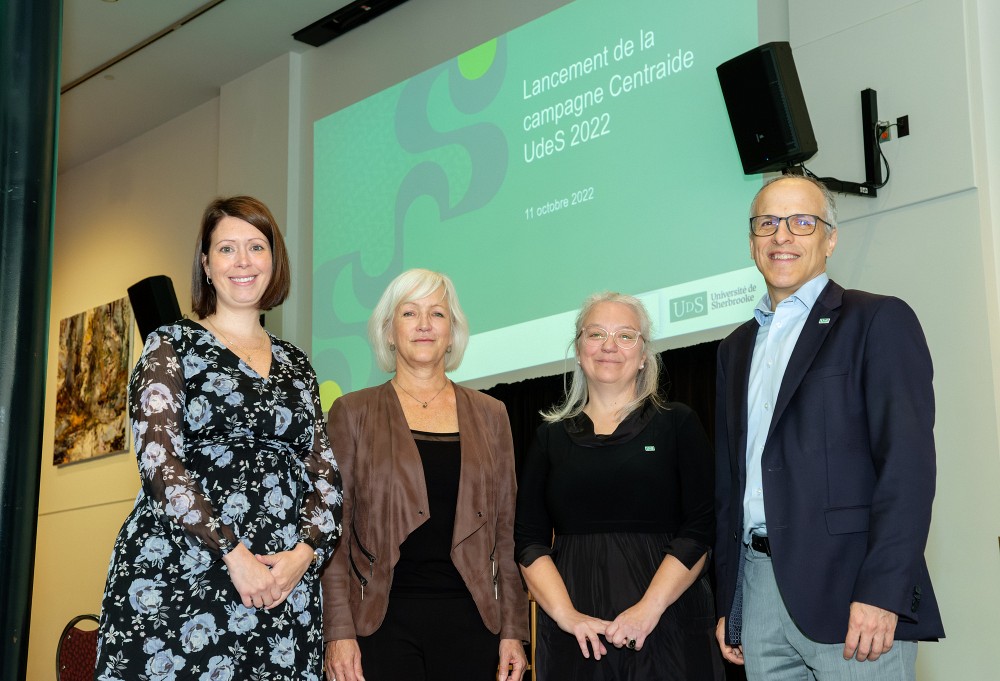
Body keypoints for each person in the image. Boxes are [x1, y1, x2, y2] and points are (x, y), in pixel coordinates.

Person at [95, 196, 343, 680]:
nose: (243, 261)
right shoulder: (170, 345)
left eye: (256, 246)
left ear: (275, 260)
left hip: (282, 589)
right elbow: (160, 464)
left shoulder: (297, 364)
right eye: (227, 249)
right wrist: (235, 556)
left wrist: (302, 557)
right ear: (205, 265)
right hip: (185, 573)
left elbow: (326, 475)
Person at [714, 175, 944, 680]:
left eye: (801, 222)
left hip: (851, 595)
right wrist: (730, 597)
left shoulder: (877, 320)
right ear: (752, 240)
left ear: (830, 238)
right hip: (759, 594)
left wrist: (883, 592)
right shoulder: (733, 348)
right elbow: (732, 484)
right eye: (767, 223)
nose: (782, 236)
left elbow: (906, 468)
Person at [320, 268, 528, 681]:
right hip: (379, 622)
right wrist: (337, 633)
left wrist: (514, 631)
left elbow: (507, 534)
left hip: (473, 621)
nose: (424, 325)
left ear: (452, 333)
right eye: (410, 313)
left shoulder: (492, 415)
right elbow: (334, 533)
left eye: (437, 314)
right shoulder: (352, 412)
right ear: (389, 331)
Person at [514, 292, 723, 681]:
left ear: (644, 355)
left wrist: (648, 610)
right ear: (579, 350)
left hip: (667, 622)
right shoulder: (549, 438)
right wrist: (567, 617)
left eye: (626, 336)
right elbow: (529, 541)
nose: (609, 346)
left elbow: (700, 527)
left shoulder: (678, 424)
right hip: (576, 634)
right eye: (596, 334)